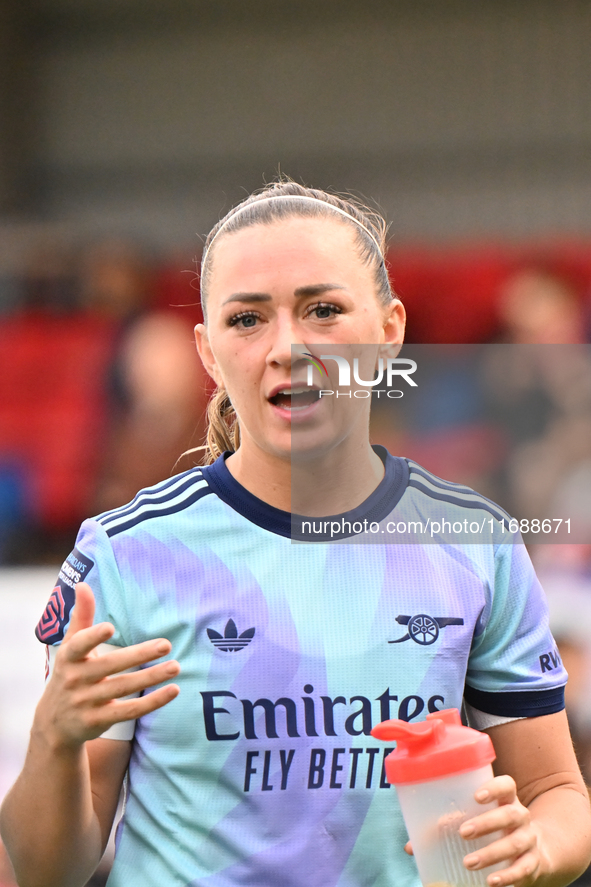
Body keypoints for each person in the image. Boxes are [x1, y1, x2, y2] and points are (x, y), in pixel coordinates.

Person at [1, 180, 590, 887]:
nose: (287, 345)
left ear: (389, 329)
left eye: (322, 308)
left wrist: (535, 846)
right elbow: (42, 871)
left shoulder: (473, 541)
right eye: (246, 319)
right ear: (209, 352)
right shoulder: (127, 556)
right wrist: (53, 739)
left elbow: (558, 794)